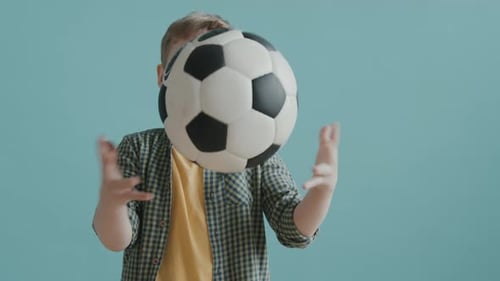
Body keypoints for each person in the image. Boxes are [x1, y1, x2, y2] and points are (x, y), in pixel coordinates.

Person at [92, 11, 341, 281]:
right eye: (186, 64)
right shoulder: (139, 149)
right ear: (162, 76)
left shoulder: (257, 153)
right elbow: (117, 241)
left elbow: (293, 230)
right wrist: (112, 202)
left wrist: (322, 192)